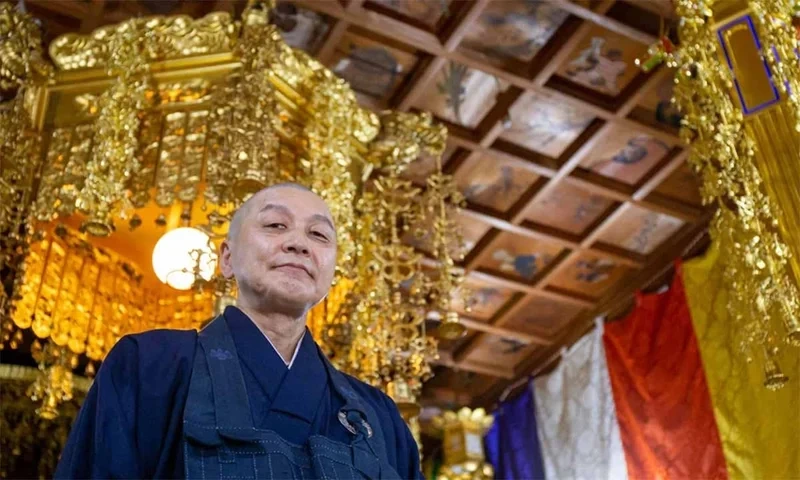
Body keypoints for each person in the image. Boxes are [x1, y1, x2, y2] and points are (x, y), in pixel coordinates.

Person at [55, 183, 422, 479]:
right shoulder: (152, 365)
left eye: (318, 235)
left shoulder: (376, 416)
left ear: (330, 271)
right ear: (226, 258)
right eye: (275, 225)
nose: (299, 243)